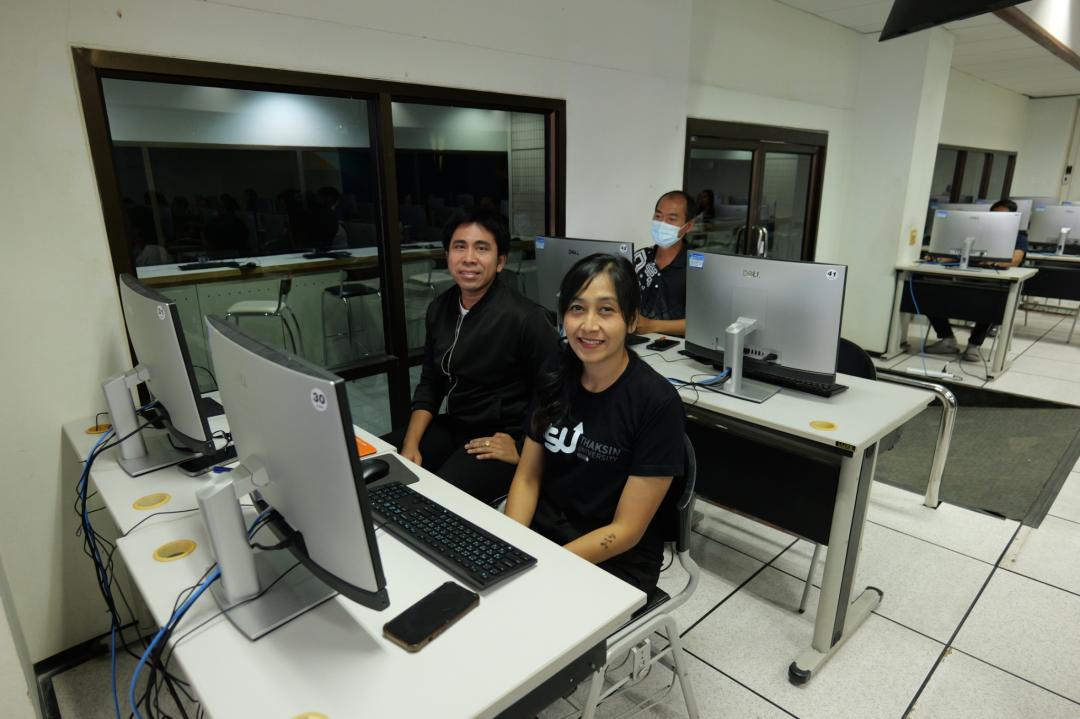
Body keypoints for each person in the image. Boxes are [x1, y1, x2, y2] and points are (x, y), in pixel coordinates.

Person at [505, 254, 685, 593]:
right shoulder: (554, 375)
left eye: (606, 310)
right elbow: (528, 477)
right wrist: (511, 544)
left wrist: (548, 566)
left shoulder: (656, 403)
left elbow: (626, 530)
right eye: (577, 308)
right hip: (546, 537)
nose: (588, 325)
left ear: (631, 320)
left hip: (615, 560)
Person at [384, 208, 560, 503]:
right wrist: (410, 444)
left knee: (435, 500)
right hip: (455, 424)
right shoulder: (440, 308)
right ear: (447, 255)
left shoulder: (526, 318)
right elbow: (430, 384)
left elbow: (554, 396)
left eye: (482, 248)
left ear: (500, 261)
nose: (468, 258)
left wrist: (521, 450)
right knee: (381, 462)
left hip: (501, 437)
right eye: (459, 246)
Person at [925, 199, 1029, 362]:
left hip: (994, 280)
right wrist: (939, 256)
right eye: (994, 215)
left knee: (991, 300)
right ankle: (947, 339)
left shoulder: (1019, 236)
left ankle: (974, 345)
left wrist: (995, 262)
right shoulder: (975, 230)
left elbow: (1015, 260)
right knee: (928, 289)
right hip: (965, 275)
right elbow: (956, 252)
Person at [633, 190, 696, 337]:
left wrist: (651, 325)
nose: (662, 224)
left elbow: (706, 322)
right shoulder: (639, 258)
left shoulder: (697, 265)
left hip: (678, 347)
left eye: (671, 219)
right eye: (658, 216)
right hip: (637, 342)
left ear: (688, 226)